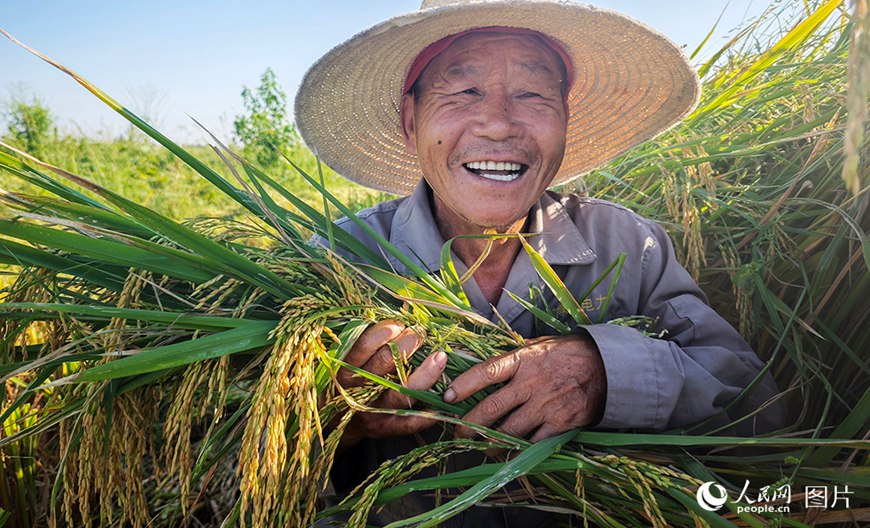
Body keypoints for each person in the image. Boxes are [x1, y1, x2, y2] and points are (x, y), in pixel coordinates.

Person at [295, 0, 783, 525]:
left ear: (565, 121)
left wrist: (605, 374)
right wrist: (330, 420)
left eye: (532, 93)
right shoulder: (337, 261)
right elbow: (225, 456)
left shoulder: (628, 245)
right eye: (464, 91)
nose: (500, 125)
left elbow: (759, 412)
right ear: (411, 122)